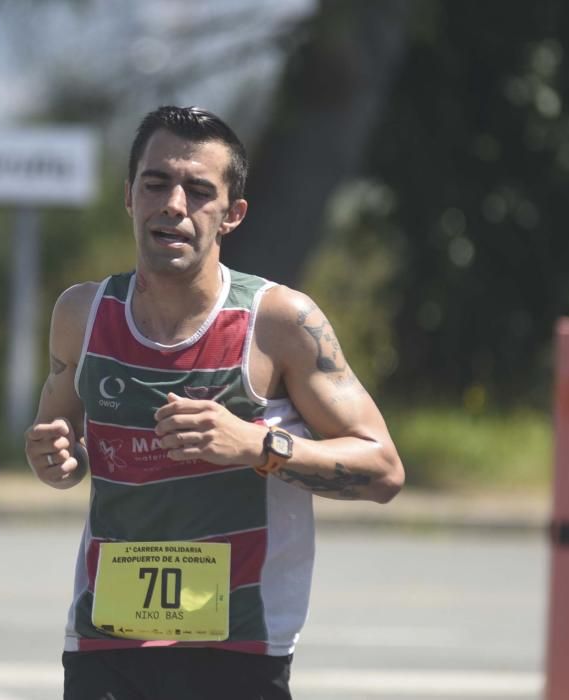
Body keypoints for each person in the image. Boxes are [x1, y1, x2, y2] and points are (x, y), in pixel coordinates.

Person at [24, 105, 404, 700]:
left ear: (232, 214)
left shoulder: (279, 322)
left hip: (239, 645)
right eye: (156, 183)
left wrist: (258, 445)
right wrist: (54, 457)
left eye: (199, 191)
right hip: (107, 638)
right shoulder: (82, 315)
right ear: (129, 196)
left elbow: (383, 469)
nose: (174, 205)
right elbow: (59, 440)